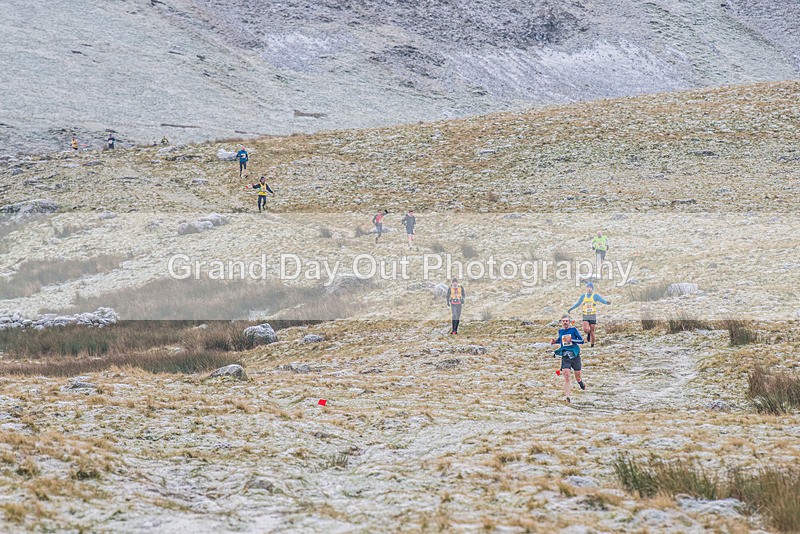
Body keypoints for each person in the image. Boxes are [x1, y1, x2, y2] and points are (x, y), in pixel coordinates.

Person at [550, 314, 586, 404]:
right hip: (565, 356)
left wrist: (572, 340)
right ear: (561, 322)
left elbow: (581, 341)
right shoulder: (561, 331)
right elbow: (561, 340)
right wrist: (555, 342)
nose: (565, 322)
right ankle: (567, 397)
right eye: (563, 321)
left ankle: (581, 383)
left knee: (578, 377)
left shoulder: (573, 330)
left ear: (569, 322)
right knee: (566, 376)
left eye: (566, 321)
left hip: (574, 355)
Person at [567, 282, 610, 347]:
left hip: (592, 315)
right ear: (586, 288)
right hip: (585, 315)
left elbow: (602, 300)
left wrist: (607, 302)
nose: (589, 289)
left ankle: (592, 345)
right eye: (588, 287)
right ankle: (588, 334)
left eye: (590, 287)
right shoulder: (583, 296)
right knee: (586, 329)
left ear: (592, 288)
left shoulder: (595, 296)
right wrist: (571, 308)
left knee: (593, 331)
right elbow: (578, 303)